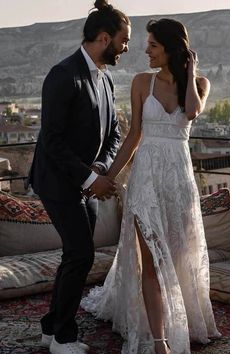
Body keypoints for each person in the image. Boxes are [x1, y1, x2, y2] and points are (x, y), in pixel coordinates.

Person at [81, 18, 221, 354]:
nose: (146, 50)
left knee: (177, 257)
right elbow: (133, 138)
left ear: (173, 49)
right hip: (146, 181)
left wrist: (190, 68)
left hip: (180, 184)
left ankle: (177, 321)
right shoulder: (142, 82)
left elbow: (191, 110)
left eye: (153, 45)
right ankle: (159, 341)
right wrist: (107, 178)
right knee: (151, 262)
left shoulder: (199, 84)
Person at [27, 1, 131, 353]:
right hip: (57, 182)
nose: (126, 47)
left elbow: (114, 134)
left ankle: (49, 328)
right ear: (104, 38)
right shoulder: (63, 73)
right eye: (123, 40)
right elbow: (51, 140)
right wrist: (90, 180)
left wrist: (101, 168)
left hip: (84, 182)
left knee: (76, 255)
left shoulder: (105, 78)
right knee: (81, 253)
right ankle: (62, 337)